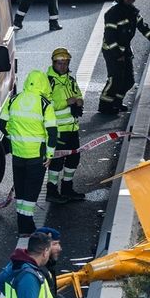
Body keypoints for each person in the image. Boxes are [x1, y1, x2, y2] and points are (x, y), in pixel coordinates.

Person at [0, 71, 58, 236]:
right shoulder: (44, 104)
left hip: (18, 154)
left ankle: (25, 224)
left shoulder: (14, 99)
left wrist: (12, 136)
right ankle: (25, 227)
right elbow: (52, 132)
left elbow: (2, 122)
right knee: (31, 192)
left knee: (21, 190)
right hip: (36, 156)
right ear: (44, 84)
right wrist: (50, 155)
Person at [99, 0, 150, 115]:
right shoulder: (112, 14)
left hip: (125, 51)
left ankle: (117, 102)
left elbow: (143, 27)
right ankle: (105, 105)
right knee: (115, 80)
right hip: (111, 51)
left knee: (129, 81)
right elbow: (109, 38)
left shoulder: (133, 12)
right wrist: (117, 54)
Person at [45, 48, 85, 204]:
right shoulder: (48, 82)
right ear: (53, 63)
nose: (62, 66)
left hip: (72, 128)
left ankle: (67, 189)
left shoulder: (70, 80)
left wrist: (79, 100)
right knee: (56, 162)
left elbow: (78, 94)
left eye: (65, 63)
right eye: (59, 63)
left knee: (74, 159)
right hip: (58, 130)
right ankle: (52, 191)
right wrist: (66, 102)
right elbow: (46, 104)